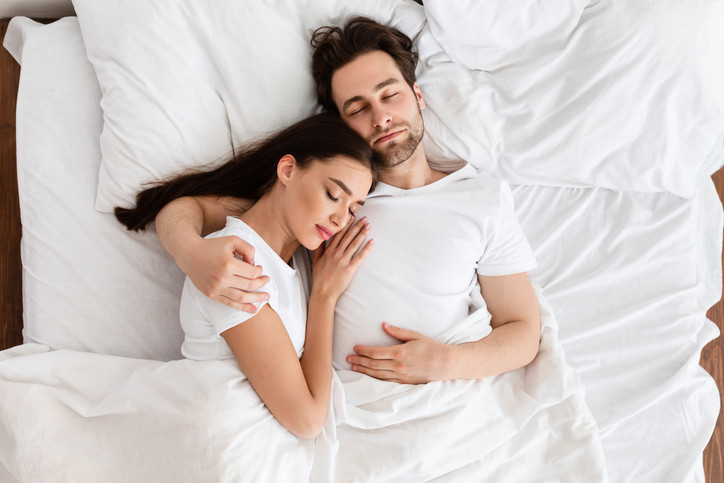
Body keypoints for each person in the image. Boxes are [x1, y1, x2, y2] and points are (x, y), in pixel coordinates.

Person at [153, 17, 541, 386]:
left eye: (390, 95)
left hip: (445, 392)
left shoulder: (481, 199)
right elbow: (190, 207)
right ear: (342, 123)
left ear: (417, 95)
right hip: (340, 405)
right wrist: (189, 252)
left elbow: (523, 331)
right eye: (358, 108)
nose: (381, 117)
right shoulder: (325, 197)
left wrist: (445, 363)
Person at [115, 113, 380, 439]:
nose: (340, 219)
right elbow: (308, 421)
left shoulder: (297, 253)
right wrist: (324, 298)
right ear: (288, 170)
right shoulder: (237, 265)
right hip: (223, 438)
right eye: (333, 195)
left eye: (353, 209)